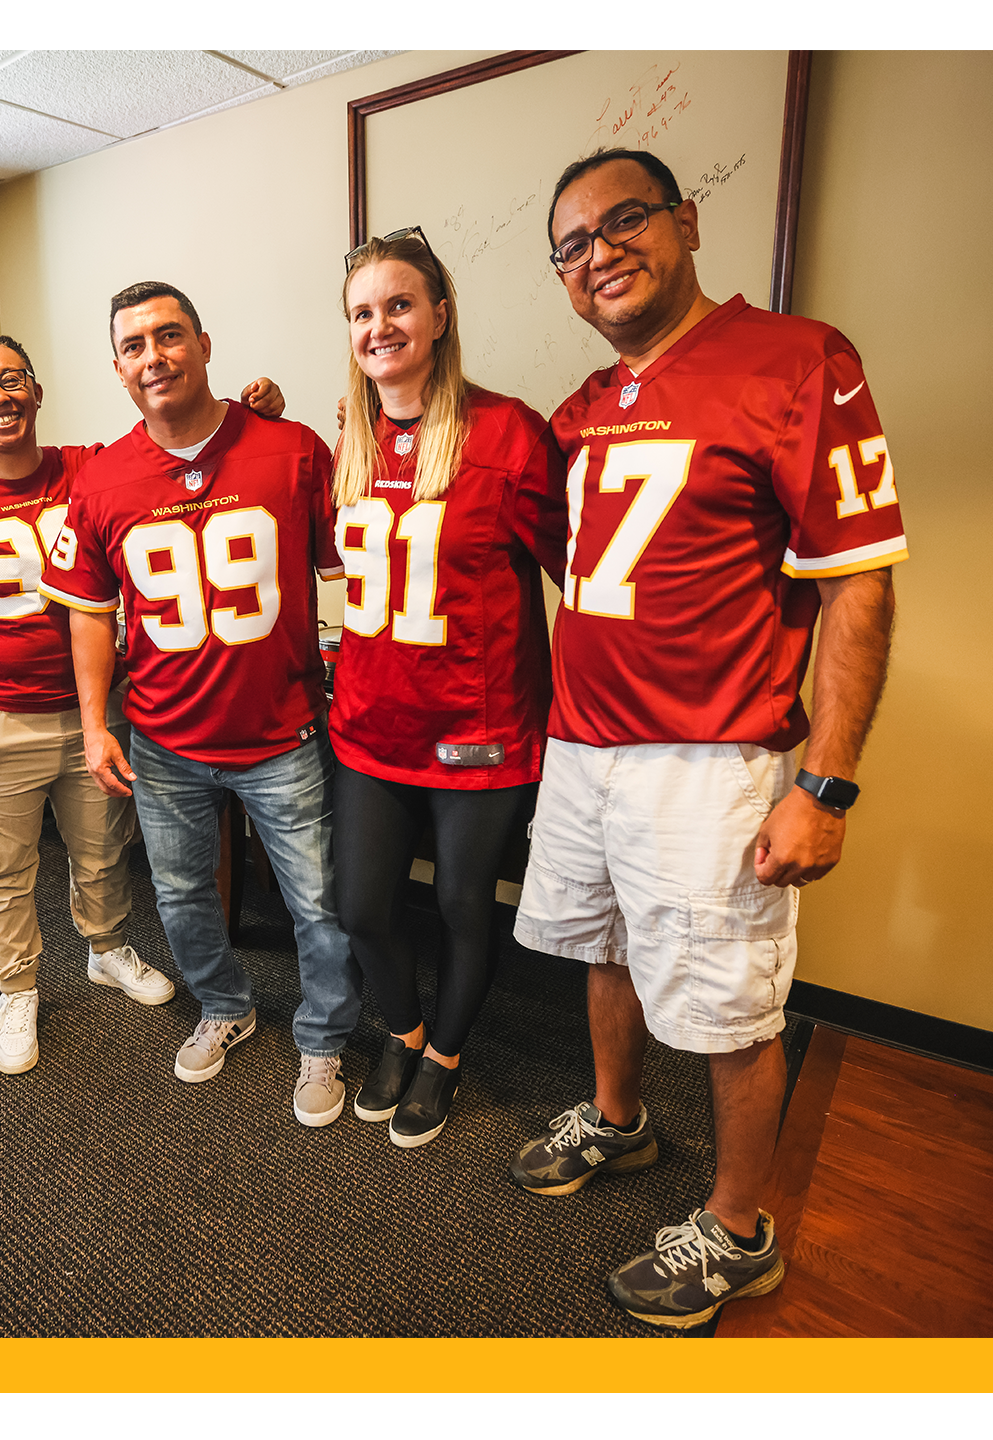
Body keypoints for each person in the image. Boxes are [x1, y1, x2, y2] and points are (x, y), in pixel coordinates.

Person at [507, 149, 906, 1328]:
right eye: (571, 244)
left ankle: (738, 1230)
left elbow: (857, 588)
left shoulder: (796, 359)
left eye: (621, 220)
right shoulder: (585, 407)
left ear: (684, 222)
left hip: (708, 757)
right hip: (582, 746)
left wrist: (823, 786)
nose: (598, 252)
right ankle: (619, 1119)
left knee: (731, 1000)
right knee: (603, 945)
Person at [0, 334, 287, 1074]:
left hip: (91, 709)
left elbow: (179, 443)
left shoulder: (92, 465)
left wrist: (249, 416)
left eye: (12, 379)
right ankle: (17, 988)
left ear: (36, 390)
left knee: (102, 850)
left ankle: (107, 948)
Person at [40, 281, 361, 1127]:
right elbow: (86, 612)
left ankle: (324, 1037)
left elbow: (352, 575)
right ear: (117, 368)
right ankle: (226, 1005)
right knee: (180, 897)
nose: (155, 356)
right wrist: (92, 727)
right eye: (135, 346)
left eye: (170, 335)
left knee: (318, 903)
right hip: (165, 739)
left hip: (283, 734)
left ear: (205, 343)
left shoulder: (290, 448)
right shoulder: (102, 479)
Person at [328, 229, 567, 1148]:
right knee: (364, 906)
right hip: (372, 724)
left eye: (398, 304)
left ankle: (446, 1057)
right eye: (361, 312)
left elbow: (575, 576)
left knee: (467, 903)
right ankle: (404, 1030)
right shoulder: (346, 432)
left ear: (439, 313)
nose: (380, 324)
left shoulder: (507, 430)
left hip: (479, 724)